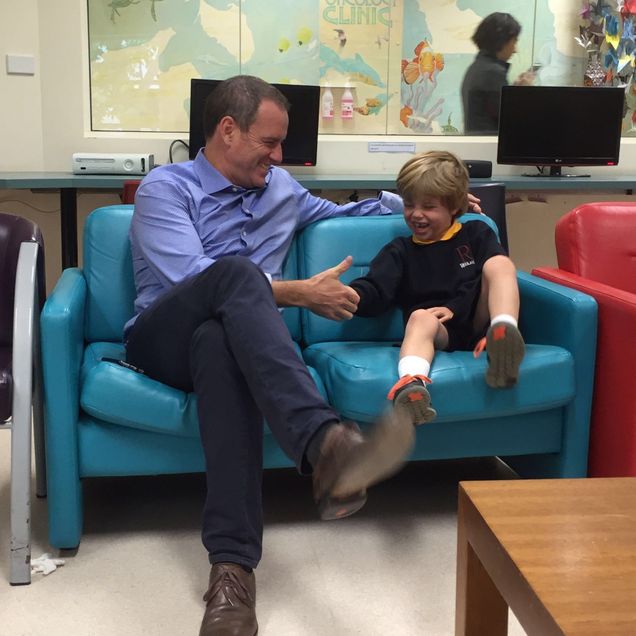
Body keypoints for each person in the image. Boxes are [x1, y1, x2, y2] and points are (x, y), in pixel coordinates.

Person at [125, 75, 477, 636]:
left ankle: (232, 574)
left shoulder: (282, 189)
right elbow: (189, 280)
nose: (279, 155)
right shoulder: (166, 189)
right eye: (269, 142)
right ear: (227, 130)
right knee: (231, 276)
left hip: (222, 347)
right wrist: (297, 292)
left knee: (219, 342)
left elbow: (345, 213)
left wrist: (424, 203)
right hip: (160, 336)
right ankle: (324, 442)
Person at [349, 150, 525, 426]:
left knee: (500, 264)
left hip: (479, 320)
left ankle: (504, 335)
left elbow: (481, 281)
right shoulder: (400, 251)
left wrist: (454, 308)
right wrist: (351, 296)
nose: (416, 214)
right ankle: (412, 385)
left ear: (455, 206)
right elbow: (376, 290)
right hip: (440, 331)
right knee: (420, 317)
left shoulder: (476, 233)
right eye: (409, 205)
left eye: (429, 207)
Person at [461, 12, 535, 134]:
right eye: (514, 41)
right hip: (490, 149)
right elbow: (514, 121)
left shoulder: (476, 68)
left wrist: (513, 92)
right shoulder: (492, 73)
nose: (515, 49)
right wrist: (526, 94)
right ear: (502, 41)